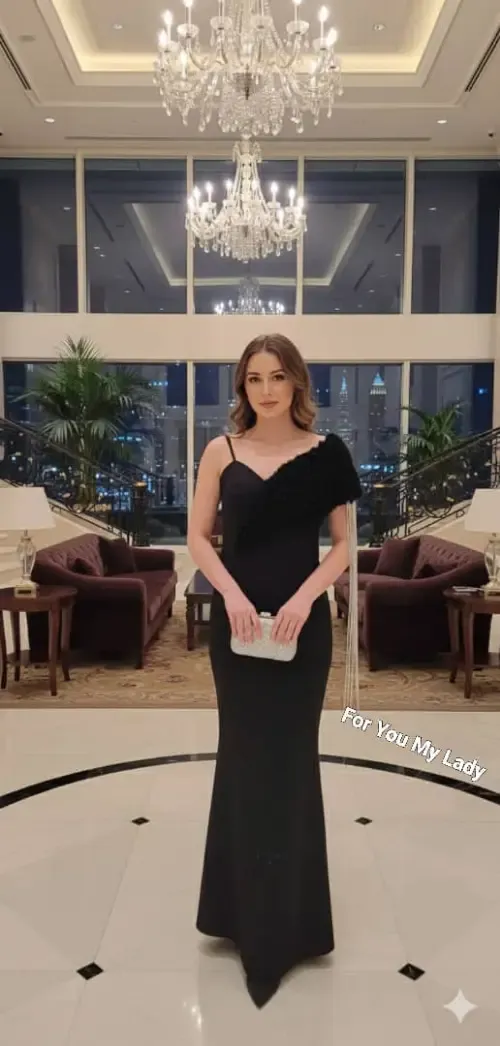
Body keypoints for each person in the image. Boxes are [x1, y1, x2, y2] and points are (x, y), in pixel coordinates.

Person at [187, 333, 361, 1008]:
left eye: (278, 376)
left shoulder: (327, 453)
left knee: (290, 766)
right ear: (243, 386)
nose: (265, 389)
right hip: (235, 631)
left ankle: (294, 926)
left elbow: (343, 546)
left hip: (300, 630)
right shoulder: (221, 452)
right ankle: (235, 917)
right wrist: (230, 595)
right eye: (254, 378)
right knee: (241, 761)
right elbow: (199, 537)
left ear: (296, 384)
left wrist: (302, 599)